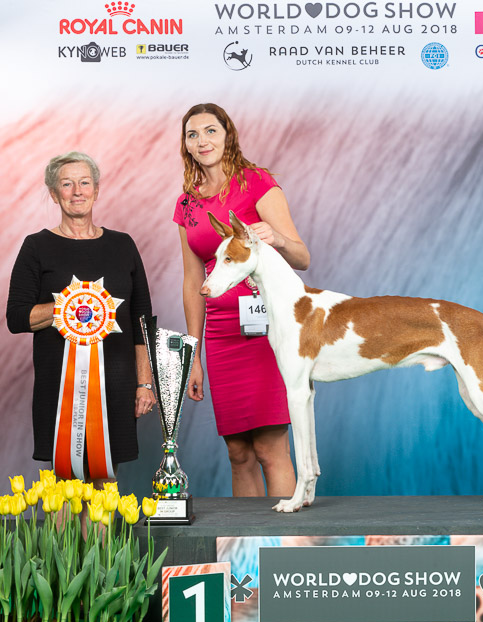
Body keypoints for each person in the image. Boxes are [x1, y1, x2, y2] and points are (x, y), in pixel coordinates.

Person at [174, 103, 310, 497]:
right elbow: (192, 280)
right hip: (220, 336)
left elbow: (302, 257)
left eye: (211, 131)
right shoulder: (187, 204)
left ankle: (284, 535)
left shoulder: (256, 183)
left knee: (270, 448)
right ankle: (247, 536)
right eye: (193, 134)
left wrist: (277, 238)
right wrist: (194, 353)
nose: (203, 140)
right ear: (186, 145)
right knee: (238, 453)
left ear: (227, 135)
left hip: (266, 331)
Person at [6, 152, 155, 486]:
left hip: (116, 385)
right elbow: (16, 317)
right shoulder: (36, 247)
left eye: (84, 182)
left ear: (96, 190)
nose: (77, 191)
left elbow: (142, 321)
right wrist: (70, 306)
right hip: (60, 388)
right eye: (67, 184)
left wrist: (144, 383)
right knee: (66, 486)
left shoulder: (123, 245)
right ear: (53, 194)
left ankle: (102, 527)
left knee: (106, 482)